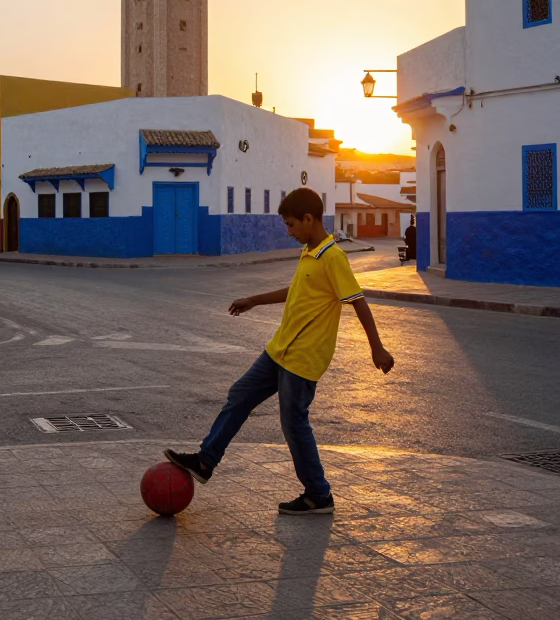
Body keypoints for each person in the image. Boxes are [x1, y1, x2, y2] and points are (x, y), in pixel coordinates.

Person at [165, 187, 394, 516]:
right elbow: (298, 289)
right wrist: (254, 300)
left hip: (303, 358)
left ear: (308, 219)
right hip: (279, 350)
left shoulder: (333, 257)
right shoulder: (308, 251)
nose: (288, 232)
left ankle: (318, 495)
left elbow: (357, 301)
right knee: (240, 395)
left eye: (290, 225)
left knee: (294, 423)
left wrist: (377, 348)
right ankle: (204, 461)